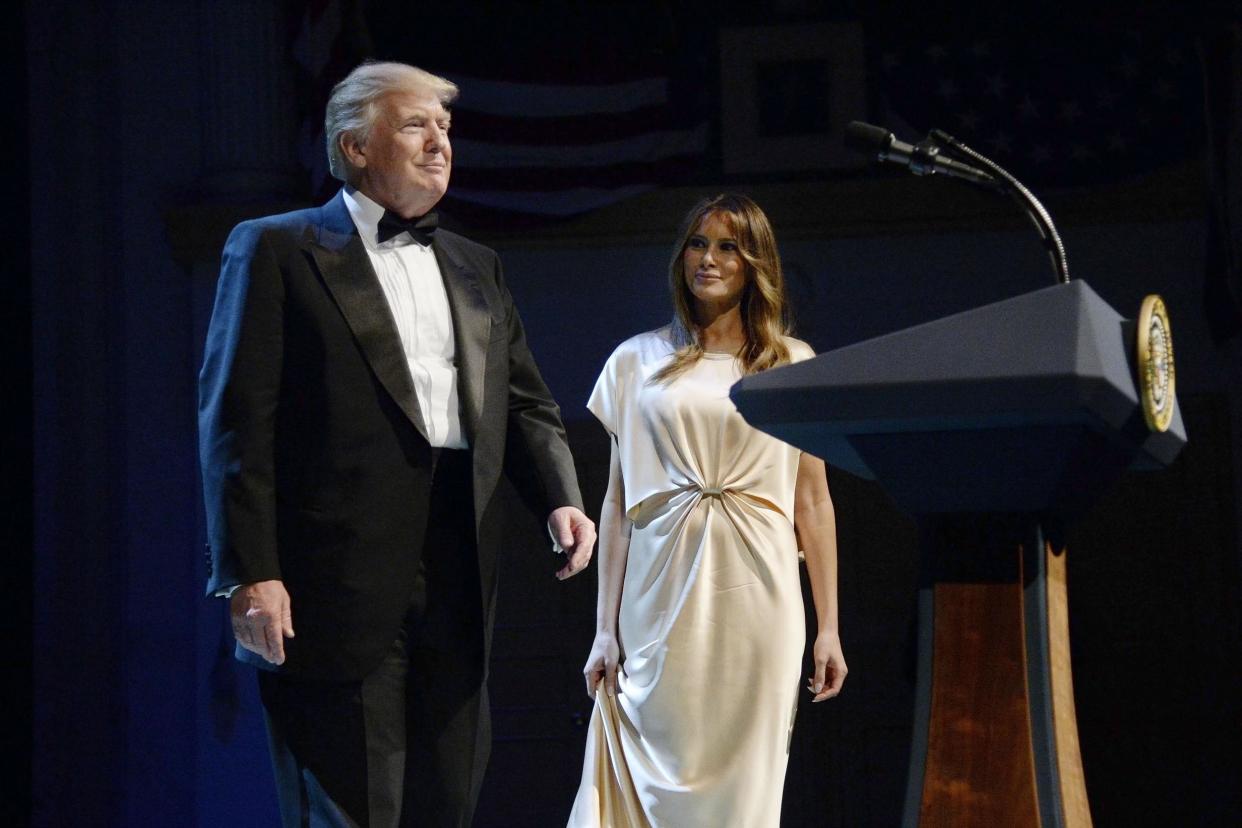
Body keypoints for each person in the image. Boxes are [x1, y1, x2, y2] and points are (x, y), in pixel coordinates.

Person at [199, 61, 596, 828]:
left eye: (445, 128)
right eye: (416, 125)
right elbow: (236, 423)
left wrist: (560, 497)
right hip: (329, 579)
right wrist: (250, 572)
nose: (439, 143)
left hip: (459, 559)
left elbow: (521, 399)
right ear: (353, 147)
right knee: (351, 808)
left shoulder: (478, 265)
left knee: (447, 800)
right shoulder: (275, 249)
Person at [567, 194, 847, 826]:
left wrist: (828, 626)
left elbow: (813, 499)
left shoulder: (789, 364)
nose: (710, 260)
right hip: (659, 593)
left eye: (727, 247)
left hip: (760, 593)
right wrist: (604, 628)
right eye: (698, 244)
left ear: (754, 263)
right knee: (649, 766)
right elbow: (617, 504)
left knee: (746, 785)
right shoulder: (635, 360)